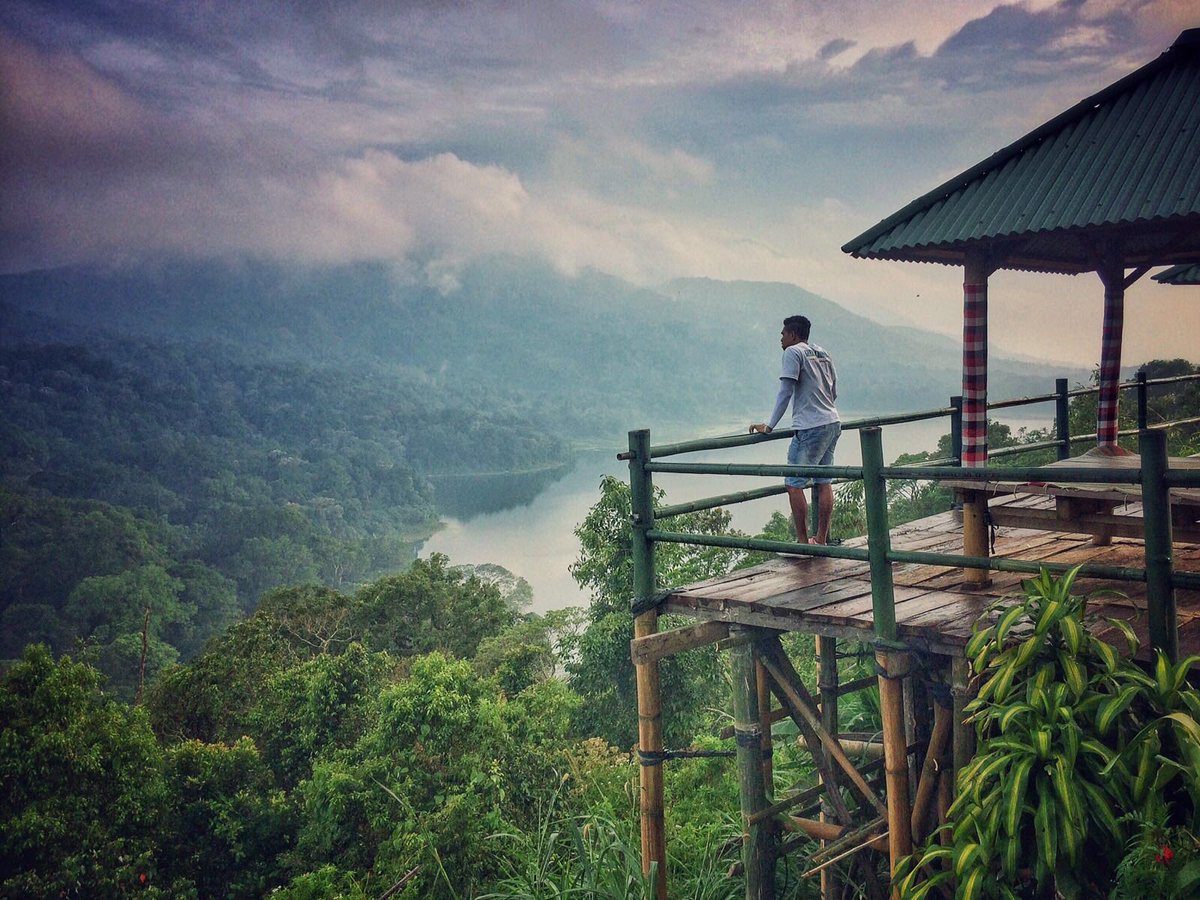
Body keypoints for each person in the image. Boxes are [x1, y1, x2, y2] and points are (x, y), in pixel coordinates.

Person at [749, 315, 840, 544]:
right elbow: (833, 390)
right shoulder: (822, 353)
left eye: (783, 334)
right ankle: (820, 539)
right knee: (824, 481)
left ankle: (802, 543)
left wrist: (769, 426)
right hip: (832, 421)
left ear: (793, 334)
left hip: (810, 427)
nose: (780, 338)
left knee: (793, 483)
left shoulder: (792, 352)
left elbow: (785, 391)